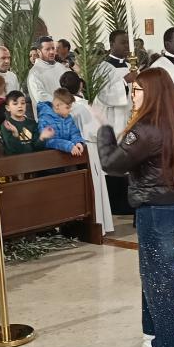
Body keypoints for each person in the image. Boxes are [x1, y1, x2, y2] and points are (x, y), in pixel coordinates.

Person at [98, 68, 174, 347]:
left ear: (153, 93)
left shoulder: (145, 129)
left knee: (159, 275)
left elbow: (112, 164)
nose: (132, 96)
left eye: (137, 91)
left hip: (158, 209)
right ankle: (154, 329)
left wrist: (104, 131)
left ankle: (172, 343)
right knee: (157, 271)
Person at [60, 71, 114, 233]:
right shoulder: (82, 107)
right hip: (89, 148)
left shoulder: (63, 107)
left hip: (73, 151)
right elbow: (96, 132)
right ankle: (100, 224)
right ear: (80, 85)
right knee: (95, 186)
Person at [96, 30, 136, 136]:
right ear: (112, 44)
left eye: (128, 43)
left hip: (131, 117)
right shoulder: (103, 68)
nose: (127, 46)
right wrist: (125, 81)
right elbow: (103, 96)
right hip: (113, 120)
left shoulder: (131, 67)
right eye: (123, 43)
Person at [36, 89, 86, 157]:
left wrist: (77, 142)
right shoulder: (45, 119)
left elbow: (74, 133)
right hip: (51, 157)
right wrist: (68, 145)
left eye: (70, 107)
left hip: (68, 155)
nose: (70, 110)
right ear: (57, 106)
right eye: (67, 107)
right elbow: (48, 142)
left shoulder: (68, 117)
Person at [27, 37, 66, 117]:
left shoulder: (61, 67)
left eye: (53, 48)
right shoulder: (34, 73)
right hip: (48, 118)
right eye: (47, 49)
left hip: (66, 114)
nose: (52, 52)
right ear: (39, 52)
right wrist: (62, 104)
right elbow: (40, 97)